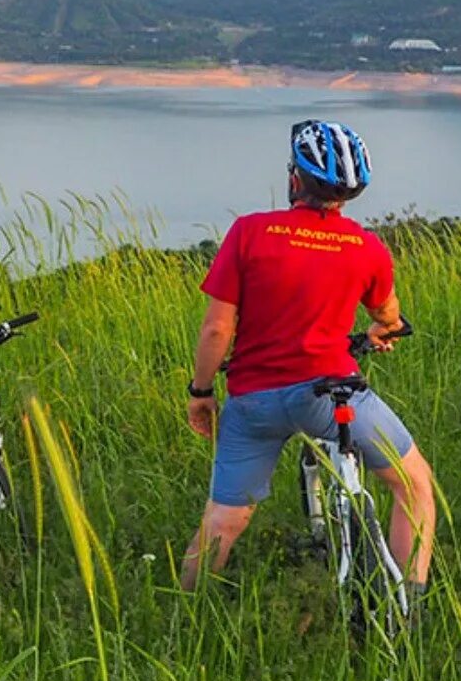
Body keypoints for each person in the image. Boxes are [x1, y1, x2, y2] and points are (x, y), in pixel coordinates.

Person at [180, 121, 435, 597]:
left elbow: (217, 328)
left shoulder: (249, 233)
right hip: (331, 393)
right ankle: (409, 603)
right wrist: (384, 328)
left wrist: (200, 392)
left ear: (295, 179)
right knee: (414, 484)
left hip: (253, 400)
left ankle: (187, 614)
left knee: (223, 519)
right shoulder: (366, 248)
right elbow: (388, 313)